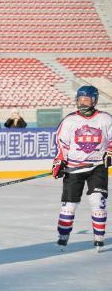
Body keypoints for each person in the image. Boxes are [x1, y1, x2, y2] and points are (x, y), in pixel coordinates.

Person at [52, 85, 112, 252]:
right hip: (74, 168)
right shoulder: (70, 120)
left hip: (97, 167)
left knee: (97, 202)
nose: (83, 102)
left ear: (94, 100)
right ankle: (62, 237)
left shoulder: (105, 119)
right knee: (69, 206)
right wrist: (59, 161)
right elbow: (62, 144)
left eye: (86, 99)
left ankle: (99, 238)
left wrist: (110, 152)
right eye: (80, 99)